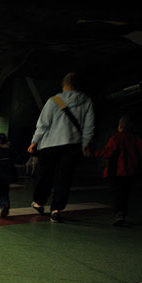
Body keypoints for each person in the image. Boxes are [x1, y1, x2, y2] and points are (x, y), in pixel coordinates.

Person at [27, 72, 95, 222]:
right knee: (64, 178)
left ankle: (39, 202)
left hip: (50, 145)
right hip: (72, 145)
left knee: (45, 175)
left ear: (64, 85)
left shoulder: (54, 100)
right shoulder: (86, 102)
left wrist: (34, 141)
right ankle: (56, 210)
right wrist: (85, 143)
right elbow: (89, 126)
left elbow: (43, 123)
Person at [96, 115, 142, 225]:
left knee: (116, 193)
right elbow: (140, 155)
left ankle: (118, 214)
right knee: (125, 193)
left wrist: (94, 152)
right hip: (131, 172)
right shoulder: (137, 139)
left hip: (116, 171)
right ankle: (123, 213)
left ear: (120, 126)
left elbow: (108, 152)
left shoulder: (116, 138)